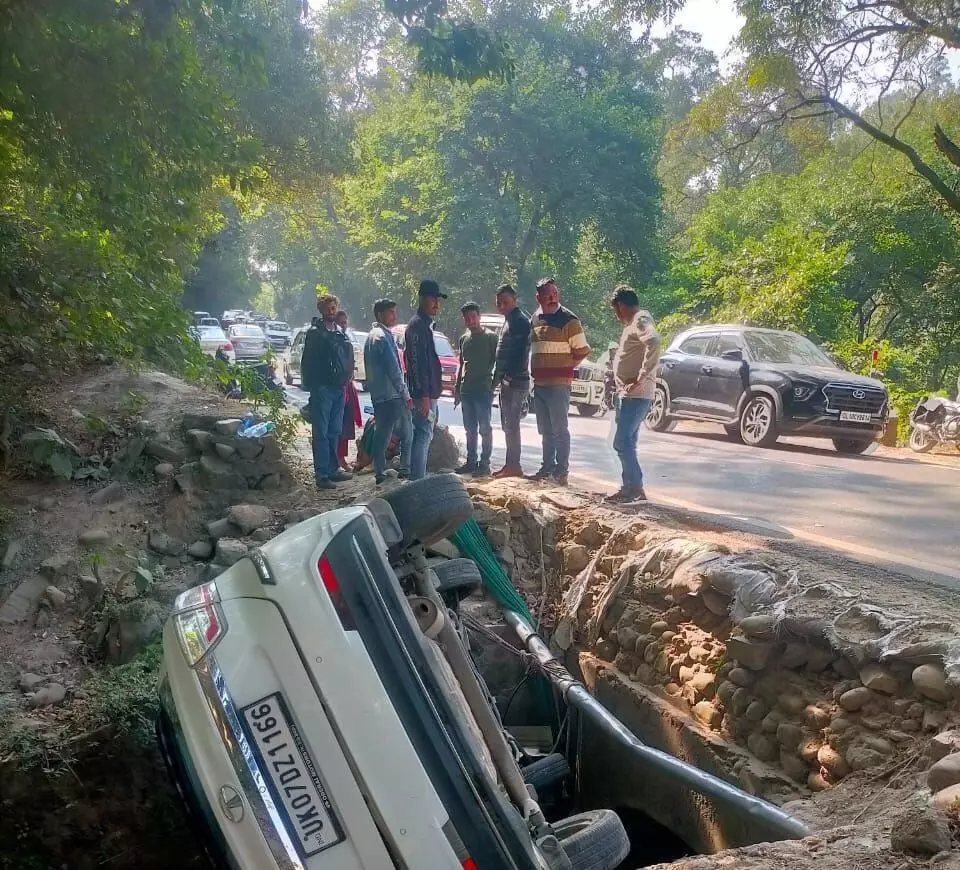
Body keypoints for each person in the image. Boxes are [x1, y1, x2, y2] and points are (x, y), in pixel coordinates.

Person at [528, 278, 591, 486]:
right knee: (545, 429)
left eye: (555, 293)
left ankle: (561, 471)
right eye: (548, 294)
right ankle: (546, 468)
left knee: (559, 429)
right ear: (538, 297)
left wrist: (565, 367)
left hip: (558, 385)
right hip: (540, 384)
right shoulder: (535, 318)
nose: (553, 298)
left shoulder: (569, 320)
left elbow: (582, 351)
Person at [606, 285, 660, 503]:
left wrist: (641, 376)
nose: (616, 316)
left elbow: (653, 340)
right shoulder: (633, 323)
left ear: (620, 306)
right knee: (627, 441)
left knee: (622, 442)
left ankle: (634, 487)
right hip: (627, 394)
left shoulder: (640, 318)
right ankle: (629, 487)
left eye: (615, 310)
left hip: (636, 394)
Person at [300, 294, 355, 490]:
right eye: (328, 308)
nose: (331, 312)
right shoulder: (315, 333)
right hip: (322, 388)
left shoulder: (340, 333)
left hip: (339, 388)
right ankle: (322, 474)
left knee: (334, 431)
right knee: (321, 433)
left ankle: (333, 469)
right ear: (321, 310)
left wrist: (347, 378)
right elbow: (307, 362)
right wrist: (312, 387)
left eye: (334, 308)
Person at [364, 298, 413, 484]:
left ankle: (380, 473)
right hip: (392, 395)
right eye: (391, 312)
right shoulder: (383, 337)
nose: (395, 316)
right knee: (408, 432)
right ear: (380, 314)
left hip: (378, 396)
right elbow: (394, 370)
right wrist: (405, 394)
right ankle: (405, 470)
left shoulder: (371, 336)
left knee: (382, 434)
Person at [404, 279, 445, 480]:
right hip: (424, 394)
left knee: (423, 433)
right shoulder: (418, 326)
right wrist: (424, 395)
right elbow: (417, 363)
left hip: (428, 392)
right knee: (423, 433)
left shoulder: (425, 326)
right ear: (422, 299)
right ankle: (417, 479)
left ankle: (416, 476)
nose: (436, 303)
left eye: (438, 299)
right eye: (432, 299)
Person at [491, 284, 531, 478]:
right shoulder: (509, 320)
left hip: (515, 380)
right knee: (507, 424)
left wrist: (509, 375)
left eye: (505, 301)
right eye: (498, 302)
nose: (501, 305)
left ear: (514, 299)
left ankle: (514, 465)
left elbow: (521, 352)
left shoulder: (520, 321)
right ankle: (510, 464)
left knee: (512, 424)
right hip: (506, 380)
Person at [454, 302, 498, 476]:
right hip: (467, 390)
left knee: (485, 428)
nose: (471, 321)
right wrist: (457, 388)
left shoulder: (490, 337)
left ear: (479, 316)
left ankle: (485, 463)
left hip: (483, 390)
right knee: (469, 429)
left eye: (473, 317)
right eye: (467, 318)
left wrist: (493, 385)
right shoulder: (464, 339)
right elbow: (461, 364)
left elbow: (498, 363)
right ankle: (471, 462)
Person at [334, 310, 362, 471]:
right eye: (340, 322)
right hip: (337, 388)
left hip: (347, 386)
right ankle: (337, 459)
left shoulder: (346, 340)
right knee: (337, 426)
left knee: (346, 424)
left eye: (345, 322)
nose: (343, 325)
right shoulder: (332, 340)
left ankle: (341, 458)